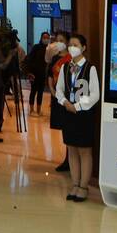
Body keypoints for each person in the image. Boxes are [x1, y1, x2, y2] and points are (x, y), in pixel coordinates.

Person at [56, 33, 101, 202]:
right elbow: (59, 88)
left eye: (75, 45)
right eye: (70, 45)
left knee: (84, 150)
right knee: (72, 149)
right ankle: (74, 184)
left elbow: (95, 93)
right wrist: (65, 102)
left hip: (84, 115)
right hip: (68, 113)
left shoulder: (90, 68)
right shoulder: (65, 67)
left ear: (83, 48)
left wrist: (78, 106)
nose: (71, 48)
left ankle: (83, 186)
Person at [48, 30, 71, 172]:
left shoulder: (71, 59)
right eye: (57, 40)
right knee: (63, 126)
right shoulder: (54, 58)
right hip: (56, 96)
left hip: (67, 98)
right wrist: (51, 89)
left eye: (62, 40)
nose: (59, 43)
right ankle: (67, 159)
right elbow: (50, 74)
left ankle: (69, 159)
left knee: (69, 126)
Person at [25, 32, 50, 113]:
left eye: (47, 38)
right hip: (34, 73)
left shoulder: (49, 49)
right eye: (44, 37)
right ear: (41, 38)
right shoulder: (36, 47)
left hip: (43, 74)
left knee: (40, 92)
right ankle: (31, 110)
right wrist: (29, 72)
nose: (45, 39)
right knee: (33, 91)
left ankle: (39, 110)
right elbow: (29, 59)